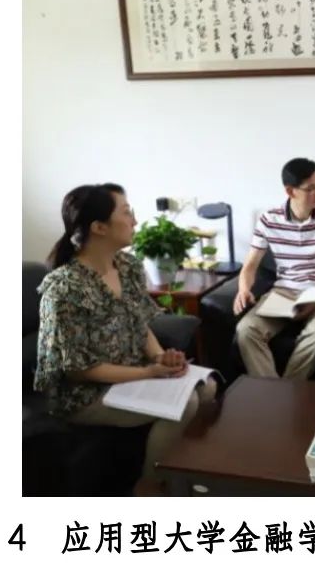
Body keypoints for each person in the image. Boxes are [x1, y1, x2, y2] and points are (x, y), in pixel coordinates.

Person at [35, 183, 218, 496]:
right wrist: (148, 372)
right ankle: (150, 487)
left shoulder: (128, 266)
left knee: (208, 386)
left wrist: (160, 357)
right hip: (85, 393)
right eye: (126, 212)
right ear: (99, 227)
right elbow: (78, 370)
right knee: (185, 403)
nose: (134, 220)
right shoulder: (64, 288)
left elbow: (139, 323)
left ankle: (187, 473)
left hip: (131, 374)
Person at [234, 157, 315, 380]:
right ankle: (275, 392)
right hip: (285, 292)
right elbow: (250, 265)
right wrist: (243, 289)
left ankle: (286, 390)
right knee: (246, 330)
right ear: (290, 191)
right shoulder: (269, 219)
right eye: (311, 188)